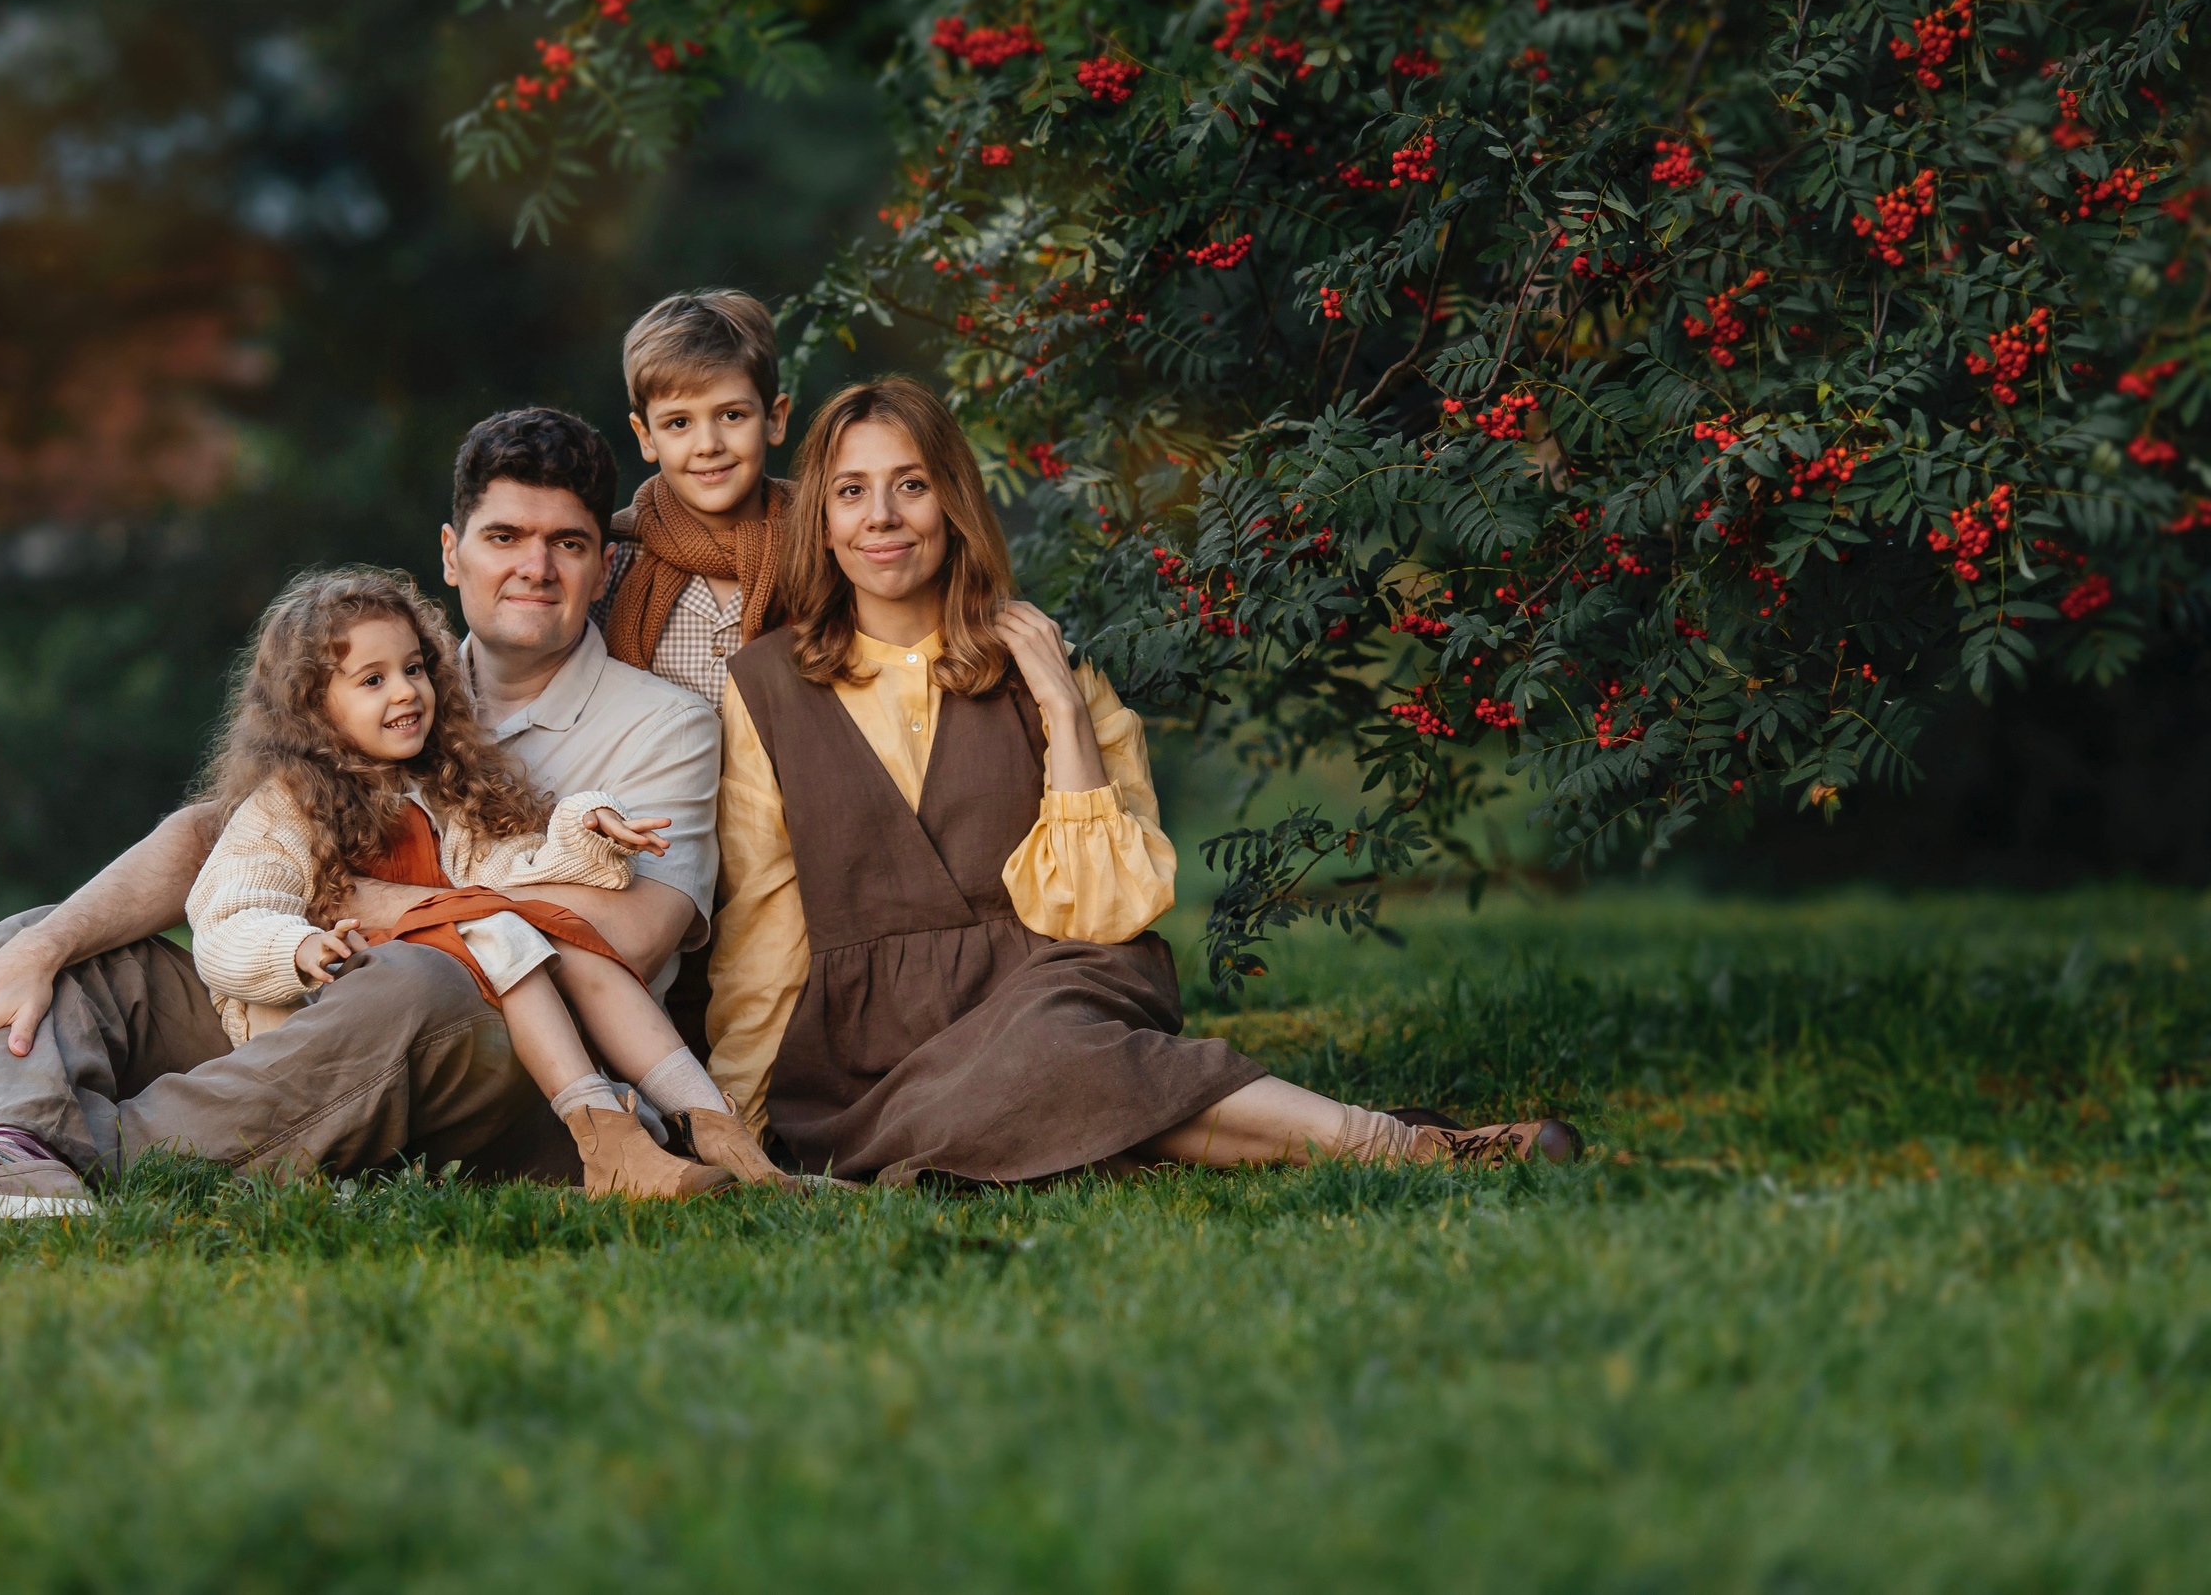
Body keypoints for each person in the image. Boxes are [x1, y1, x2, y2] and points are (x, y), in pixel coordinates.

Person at [0, 409, 725, 1223]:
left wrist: (377, 904)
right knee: (51, 941)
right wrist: (42, 950)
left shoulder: (663, 723)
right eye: (505, 536)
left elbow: (637, 935)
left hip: (511, 1056)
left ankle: (56, 1151)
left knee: (415, 980)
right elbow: (218, 840)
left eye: (566, 543)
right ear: (453, 554)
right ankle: (7, 1156)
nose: (533, 566)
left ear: (602, 567)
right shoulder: (382, 677)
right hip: (312, 1005)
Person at [705, 376, 1583, 1183]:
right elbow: (763, 929)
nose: (882, 517)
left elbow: (1108, 912)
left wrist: (1060, 705)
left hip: (1056, 981)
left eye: (912, 484)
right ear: (820, 519)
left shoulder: (1049, 660)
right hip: (877, 1048)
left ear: (954, 503)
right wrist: (730, 1118)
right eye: (852, 491)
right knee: (1042, 1073)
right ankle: (1396, 1140)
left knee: (1050, 1047)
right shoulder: (768, 687)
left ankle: (1396, 1148)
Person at [184, 564, 779, 1196]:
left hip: (446, 1003)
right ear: (311, 705)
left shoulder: (441, 791)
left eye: (414, 669)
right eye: (373, 680)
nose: (407, 692)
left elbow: (510, 874)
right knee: (495, 930)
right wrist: (295, 947)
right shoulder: (286, 807)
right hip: (330, 1018)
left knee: (566, 933)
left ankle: (722, 1135)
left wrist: (585, 831)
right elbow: (226, 916)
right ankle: (606, 1137)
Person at [598, 289, 794, 711]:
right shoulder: (612, 558)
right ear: (646, 436)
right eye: (679, 422)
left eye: (731, 415)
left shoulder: (823, 549)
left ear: (774, 419)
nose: (707, 445)